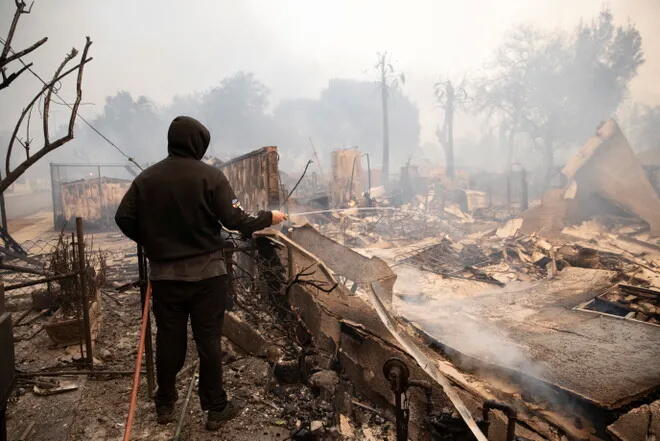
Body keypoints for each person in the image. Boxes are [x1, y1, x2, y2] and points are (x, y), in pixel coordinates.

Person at [115, 116, 287, 430]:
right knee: (208, 341)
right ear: (197, 143)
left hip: (165, 278)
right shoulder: (211, 177)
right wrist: (270, 217)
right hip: (208, 277)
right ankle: (215, 408)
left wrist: (153, 240)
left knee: (169, 339)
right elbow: (238, 221)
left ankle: (165, 403)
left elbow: (123, 218)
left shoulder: (146, 179)